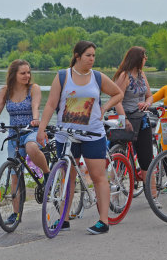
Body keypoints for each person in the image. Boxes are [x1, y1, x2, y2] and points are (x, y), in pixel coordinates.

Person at [36, 41, 124, 234]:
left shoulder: (98, 77)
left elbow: (118, 93)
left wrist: (105, 108)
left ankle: (103, 221)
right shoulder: (62, 76)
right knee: (67, 178)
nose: (92, 59)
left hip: (92, 134)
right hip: (65, 135)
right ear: (77, 56)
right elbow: (51, 104)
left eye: (94, 55)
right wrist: (41, 129)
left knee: (98, 176)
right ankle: (64, 220)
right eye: (88, 55)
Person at [0, 59, 51, 225]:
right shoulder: (5, 91)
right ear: (14, 74)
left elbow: (35, 107)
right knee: (15, 173)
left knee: (31, 147)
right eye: (22, 73)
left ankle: (47, 173)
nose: (27, 75)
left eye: (28, 72)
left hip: (31, 129)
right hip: (14, 133)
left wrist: (36, 119)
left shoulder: (33, 89)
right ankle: (16, 214)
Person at [112, 46, 158, 204]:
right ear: (138, 58)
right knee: (119, 157)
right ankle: (114, 195)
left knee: (147, 158)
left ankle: (152, 196)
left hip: (141, 118)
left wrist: (147, 103)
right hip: (125, 117)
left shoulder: (141, 74)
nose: (146, 59)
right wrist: (123, 119)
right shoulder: (124, 76)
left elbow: (150, 95)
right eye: (144, 56)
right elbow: (116, 99)